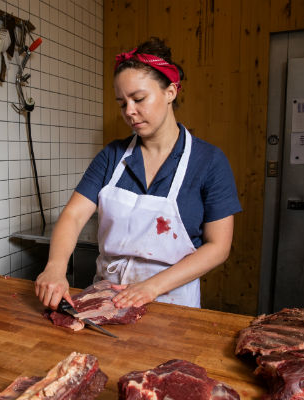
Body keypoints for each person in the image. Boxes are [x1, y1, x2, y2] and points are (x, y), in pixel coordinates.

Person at [35, 37, 242, 310]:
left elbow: (218, 247)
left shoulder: (209, 162)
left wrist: (151, 287)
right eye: (122, 103)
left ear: (171, 91)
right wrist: (55, 267)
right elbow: (73, 216)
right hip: (106, 297)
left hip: (172, 301)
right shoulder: (112, 156)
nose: (130, 112)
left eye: (139, 99)